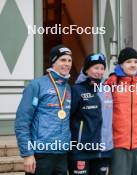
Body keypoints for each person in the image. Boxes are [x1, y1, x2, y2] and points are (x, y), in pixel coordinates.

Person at [15, 44, 73, 175]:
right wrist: (27, 154)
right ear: (53, 62)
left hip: (62, 154)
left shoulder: (67, 88)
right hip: (40, 154)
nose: (67, 64)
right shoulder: (36, 85)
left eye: (69, 60)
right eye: (63, 60)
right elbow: (22, 121)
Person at [105, 47, 137, 175]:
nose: (133, 65)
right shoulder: (111, 84)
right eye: (129, 62)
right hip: (119, 144)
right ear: (121, 64)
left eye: (136, 62)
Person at [68, 53, 113, 175]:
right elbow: (68, 117)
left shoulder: (107, 89)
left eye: (102, 68)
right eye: (95, 68)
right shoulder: (76, 89)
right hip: (81, 150)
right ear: (86, 70)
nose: (99, 71)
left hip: (103, 150)